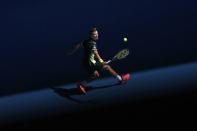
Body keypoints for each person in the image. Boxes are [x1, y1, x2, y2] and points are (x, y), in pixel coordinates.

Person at [68, 27, 130, 94]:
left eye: (97, 34)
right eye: (94, 34)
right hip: (91, 63)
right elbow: (96, 53)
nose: (97, 35)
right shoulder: (93, 43)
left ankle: (81, 85)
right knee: (107, 67)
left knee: (96, 75)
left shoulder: (86, 41)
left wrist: (71, 51)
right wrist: (102, 61)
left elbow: (79, 45)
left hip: (85, 63)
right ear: (91, 35)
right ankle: (121, 79)